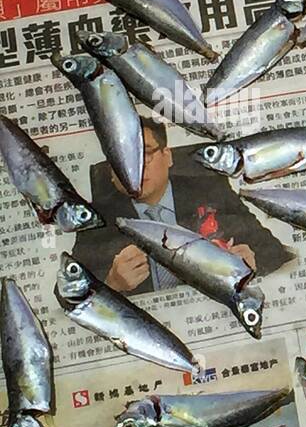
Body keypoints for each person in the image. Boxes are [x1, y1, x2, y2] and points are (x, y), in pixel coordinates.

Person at [71, 115, 294, 293]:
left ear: (167, 157)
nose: (133, 169)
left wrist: (251, 265)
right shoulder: (96, 218)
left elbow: (272, 251)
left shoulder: (210, 190)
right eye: (120, 159)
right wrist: (112, 285)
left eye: (145, 154)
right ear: (111, 173)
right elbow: (69, 288)